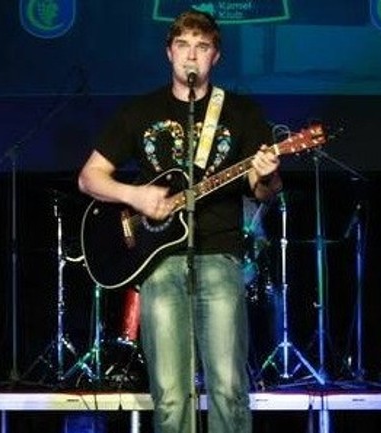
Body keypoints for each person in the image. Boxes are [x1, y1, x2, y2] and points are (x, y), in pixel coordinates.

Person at [77, 9, 282, 433]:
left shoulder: (242, 113)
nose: (192, 56)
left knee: (228, 388)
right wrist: (135, 195)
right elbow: (89, 177)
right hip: (159, 264)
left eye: (202, 47)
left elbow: (264, 191)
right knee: (170, 395)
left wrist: (267, 175)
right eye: (183, 45)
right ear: (169, 52)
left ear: (215, 57)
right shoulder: (140, 111)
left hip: (220, 256)